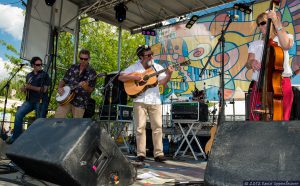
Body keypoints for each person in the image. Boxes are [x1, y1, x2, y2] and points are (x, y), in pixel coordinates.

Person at [118, 45, 174, 162]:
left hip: (155, 101)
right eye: (148, 55)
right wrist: (135, 76)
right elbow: (121, 77)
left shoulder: (157, 67)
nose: (151, 57)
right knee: (139, 128)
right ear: (141, 57)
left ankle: (158, 154)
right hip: (139, 100)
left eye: (151, 54)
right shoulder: (134, 67)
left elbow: (163, 82)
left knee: (157, 127)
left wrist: (169, 74)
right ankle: (141, 154)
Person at [246, 11, 294, 121]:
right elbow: (248, 63)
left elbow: (286, 45)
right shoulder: (255, 44)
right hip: (260, 85)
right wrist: (251, 62)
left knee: (282, 118)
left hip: (281, 83)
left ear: (270, 22)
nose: (261, 26)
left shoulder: (284, 37)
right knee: (256, 118)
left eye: (263, 22)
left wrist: (277, 22)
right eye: (259, 24)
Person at [6, 56, 51, 144]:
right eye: (38, 64)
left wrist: (30, 87)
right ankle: (16, 138)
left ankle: (38, 143)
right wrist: (24, 89)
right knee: (18, 114)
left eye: (41, 64)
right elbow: (28, 88)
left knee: (39, 121)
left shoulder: (45, 75)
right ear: (33, 65)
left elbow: (44, 90)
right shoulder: (29, 76)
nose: (40, 66)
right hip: (29, 100)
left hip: (40, 101)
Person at [55, 49, 97, 118]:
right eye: (81, 58)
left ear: (89, 59)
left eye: (85, 59)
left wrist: (86, 87)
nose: (83, 61)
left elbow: (91, 89)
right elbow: (63, 80)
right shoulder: (73, 67)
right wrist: (59, 88)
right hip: (66, 98)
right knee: (57, 119)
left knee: (76, 125)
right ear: (79, 58)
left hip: (80, 102)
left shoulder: (92, 72)